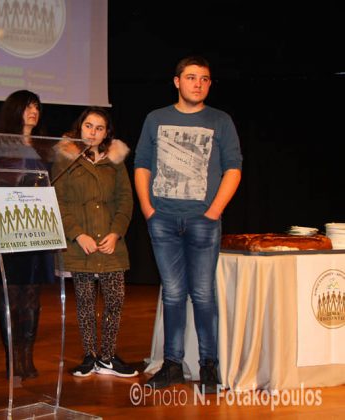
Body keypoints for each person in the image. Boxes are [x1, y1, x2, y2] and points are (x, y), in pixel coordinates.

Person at [133, 55, 242, 394]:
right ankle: (172, 365)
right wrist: (149, 210)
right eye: (192, 77)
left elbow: (234, 168)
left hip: (203, 221)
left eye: (205, 79)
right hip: (163, 220)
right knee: (173, 294)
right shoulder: (156, 119)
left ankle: (209, 365)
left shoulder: (220, 120)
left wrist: (214, 211)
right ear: (177, 81)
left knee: (204, 294)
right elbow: (142, 164)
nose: (198, 83)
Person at [53, 106, 137, 378]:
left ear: (106, 133)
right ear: (80, 127)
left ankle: (108, 358)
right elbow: (58, 201)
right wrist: (78, 234)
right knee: (86, 304)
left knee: (115, 300)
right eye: (88, 126)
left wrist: (116, 233)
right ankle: (89, 356)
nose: (93, 132)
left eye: (99, 128)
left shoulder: (115, 160)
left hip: (110, 244)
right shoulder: (66, 157)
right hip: (81, 244)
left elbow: (125, 200)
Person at [0, 90, 55, 380]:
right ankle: (12, 358)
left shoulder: (45, 148)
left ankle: (27, 357)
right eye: (27, 106)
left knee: (32, 296)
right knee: (10, 296)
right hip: (7, 226)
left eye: (36, 106)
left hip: (37, 226)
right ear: (14, 110)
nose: (33, 111)